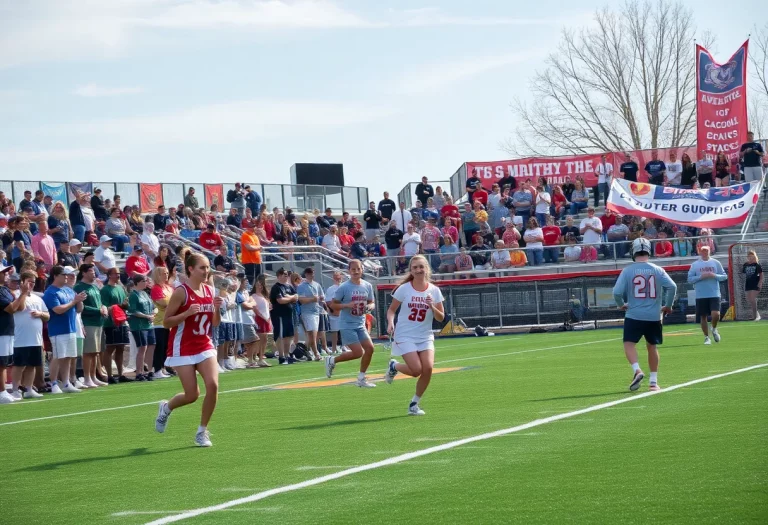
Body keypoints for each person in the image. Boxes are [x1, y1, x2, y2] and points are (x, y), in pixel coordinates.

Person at [155, 252, 222, 447]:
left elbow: (214, 323)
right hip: (182, 347)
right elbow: (166, 322)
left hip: (204, 345)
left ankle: (202, 431)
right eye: (202, 267)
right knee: (192, 395)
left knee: (213, 385)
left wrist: (217, 308)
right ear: (190, 269)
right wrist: (186, 313)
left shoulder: (210, 290)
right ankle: (166, 408)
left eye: (208, 267)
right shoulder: (181, 292)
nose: (206, 271)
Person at [613, 238, 677, 392]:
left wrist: (621, 304)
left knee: (629, 344)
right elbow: (672, 287)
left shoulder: (627, 270)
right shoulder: (658, 270)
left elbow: (616, 292)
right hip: (654, 315)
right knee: (652, 346)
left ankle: (637, 370)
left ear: (633, 252)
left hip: (634, 314)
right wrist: (668, 305)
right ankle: (653, 382)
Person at [384, 255, 445, 415]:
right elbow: (391, 310)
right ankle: (394, 366)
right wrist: (390, 323)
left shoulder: (434, 290)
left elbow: (441, 318)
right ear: (411, 270)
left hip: (425, 336)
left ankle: (414, 404)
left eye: (421, 267)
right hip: (405, 335)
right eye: (415, 267)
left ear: (427, 269)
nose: (418, 270)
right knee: (416, 370)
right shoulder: (404, 289)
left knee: (428, 368)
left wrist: (432, 306)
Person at [325, 259, 376, 387]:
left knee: (370, 348)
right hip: (347, 324)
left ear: (362, 270)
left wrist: (369, 307)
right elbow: (333, 305)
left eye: (358, 269)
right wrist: (347, 305)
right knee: (358, 352)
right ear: (349, 271)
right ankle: (332, 360)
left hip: (360, 323)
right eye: (353, 269)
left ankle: (361, 378)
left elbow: (372, 302)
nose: (356, 271)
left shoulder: (367, 285)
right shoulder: (344, 287)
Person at [43, 265, 87, 394]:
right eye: (64, 275)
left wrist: (79, 301)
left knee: (68, 357)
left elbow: (79, 310)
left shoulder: (69, 290)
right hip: (58, 330)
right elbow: (58, 310)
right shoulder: (50, 292)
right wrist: (74, 301)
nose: (67, 277)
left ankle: (66, 382)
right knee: (58, 357)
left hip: (71, 328)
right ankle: (53, 383)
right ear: (56, 276)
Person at [8, 271, 48, 399]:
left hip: (35, 338)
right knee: (19, 365)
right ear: (22, 282)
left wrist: (40, 314)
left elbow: (47, 315)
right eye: (29, 282)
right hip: (20, 338)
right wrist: (24, 293)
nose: (31, 284)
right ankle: (15, 389)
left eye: (33, 282)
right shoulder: (15, 295)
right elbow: (19, 308)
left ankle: (29, 389)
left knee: (32, 365)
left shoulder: (38, 298)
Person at [74, 263, 108, 388]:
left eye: (94, 271)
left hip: (99, 322)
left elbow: (100, 302)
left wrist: (103, 307)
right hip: (88, 322)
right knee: (88, 352)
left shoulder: (94, 287)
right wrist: (98, 310)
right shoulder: (79, 287)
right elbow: (81, 307)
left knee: (95, 352)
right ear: (83, 273)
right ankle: (87, 377)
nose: (94, 273)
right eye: (91, 271)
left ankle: (93, 377)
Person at [1, 267, 31, 402]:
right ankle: (2, 392)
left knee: (4, 363)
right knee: (1, 363)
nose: (7, 274)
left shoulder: (5, 290)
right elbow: (11, 308)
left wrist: (23, 294)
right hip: (1, 331)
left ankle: (3, 391)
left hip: (7, 331)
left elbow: (20, 307)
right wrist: (23, 293)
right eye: (4, 273)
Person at [688, 245, 728, 345]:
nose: (704, 252)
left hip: (714, 293)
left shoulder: (716, 263)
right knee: (703, 317)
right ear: (699, 252)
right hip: (701, 295)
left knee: (716, 314)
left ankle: (714, 328)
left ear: (710, 251)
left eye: (706, 250)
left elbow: (724, 276)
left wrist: (714, 275)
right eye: (703, 250)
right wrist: (701, 277)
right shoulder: (695, 265)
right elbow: (690, 279)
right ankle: (707, 337)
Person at [101, 268, 132, 384]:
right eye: (115, 274)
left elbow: (126, 303)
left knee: (120, 348)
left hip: (122, 321)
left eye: (119, 274)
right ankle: (109, 375)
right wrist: (118, 306)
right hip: (111, 322)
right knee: (110, 348)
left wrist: (125, 305)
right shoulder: (105, 289)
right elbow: (104, 306)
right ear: (109, 275)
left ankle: (121, 374)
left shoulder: (120, 288)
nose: (118, 276)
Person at [270, 268, 299, 365]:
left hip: (289, 315)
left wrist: (289, 297)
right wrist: (291, 298)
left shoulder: (289, 286)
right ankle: (281, 357)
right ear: (279, 276)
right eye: (284, 274)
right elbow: (280, 300)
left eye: (287, 274)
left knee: (289, 336)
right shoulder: (276, 287)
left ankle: (287, 356)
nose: (286, 276)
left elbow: (296, 297)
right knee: (280, 335)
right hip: (279, 315)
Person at [297, 267, 324, 362]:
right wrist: (313, 299)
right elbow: (301, 300)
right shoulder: (301, 286)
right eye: (309, 273)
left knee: (313, 334)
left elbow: (321, 296)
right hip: (307, 312)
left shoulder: (317, 285)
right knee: (312, 333)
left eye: (312, 273)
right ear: (306, 274)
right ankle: (316, 353)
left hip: (316, 311)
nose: (311, 275)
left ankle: (304, 349)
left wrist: (321, 299)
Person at [250, 274, 272, 367]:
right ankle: (255, 357)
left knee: (264, 339)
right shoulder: (253, 296)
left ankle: (261, 358)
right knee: (259, 339)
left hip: (266, 318)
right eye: (258, 285)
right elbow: (255, 309)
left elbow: (267, 308)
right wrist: (263, 317)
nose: (260, 286)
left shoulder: (264, 296)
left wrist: (268, 317)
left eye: (261, 285)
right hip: (259, 319)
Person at [324, 271, 344, 354]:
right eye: (336, 276)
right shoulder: (331, 289)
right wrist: (332, 310)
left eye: (339, 276)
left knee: (344, 330)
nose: (338, 278)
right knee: (334, 331)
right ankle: (334, 348)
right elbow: (328, 301)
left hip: (344, 312)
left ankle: (344, 346)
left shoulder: (344, 287)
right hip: (335, 313)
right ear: (333, 278)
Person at [743, 250, 763, 321]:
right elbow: (744, 274)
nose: (750, 257)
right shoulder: (745, 265)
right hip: (748, 284)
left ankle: (754, 316)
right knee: (749, 299)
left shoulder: (757, 265)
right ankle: (757, 314)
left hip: (755, 284)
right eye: (749, 256)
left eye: (751, 256)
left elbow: (761, 276)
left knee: (752, 299)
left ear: (754, 257)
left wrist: (759, 284)